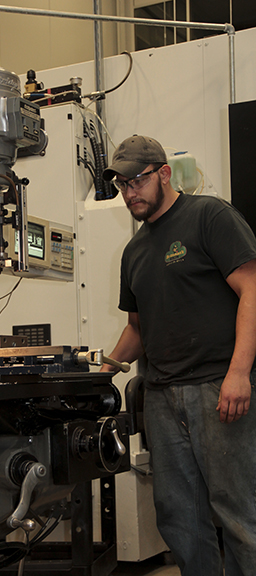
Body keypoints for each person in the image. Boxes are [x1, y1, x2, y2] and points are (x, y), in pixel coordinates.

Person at [101, 134, 256, 576]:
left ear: (164, 174)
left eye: (138, 181)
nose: (130, 193)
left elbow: (253, 289)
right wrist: (104, 368)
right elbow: (138, 329)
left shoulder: (210, 216)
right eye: (123, 185)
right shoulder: (134, 252)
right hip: (162, 398)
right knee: (178, 517)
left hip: (218, 390)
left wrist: (239, 373)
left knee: (239, 514)